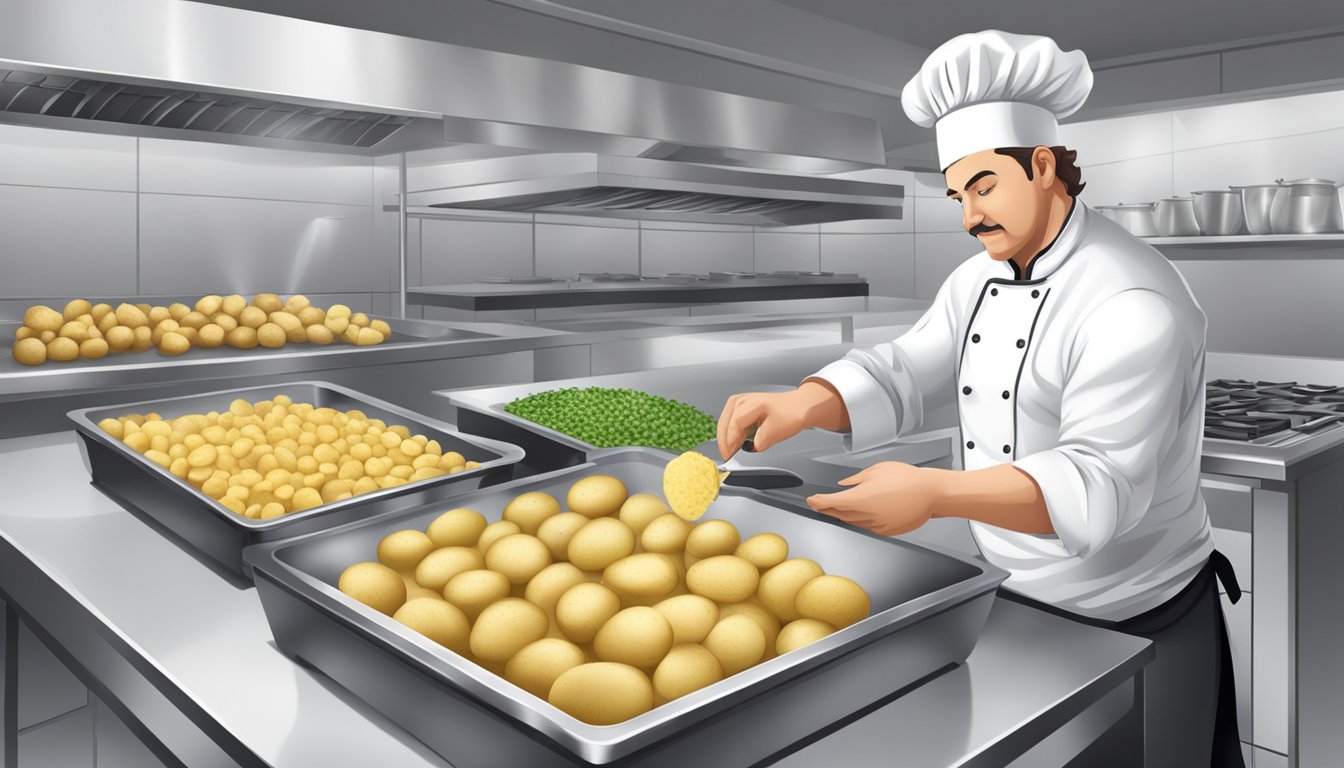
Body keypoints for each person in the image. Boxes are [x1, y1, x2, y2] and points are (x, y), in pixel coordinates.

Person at [717, 30, 1243, 768]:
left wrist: (935, 493)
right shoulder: (977, 278)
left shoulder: (1133, 298)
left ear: (1045, 165)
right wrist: (806, 402)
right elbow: (908, 366)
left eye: (984, 186)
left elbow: (1095, 488)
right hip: (1015, 600)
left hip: (1136, 615)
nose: (968, 215)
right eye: (958, 194)